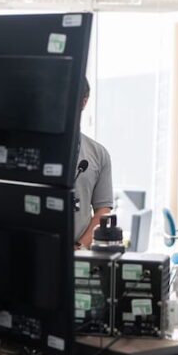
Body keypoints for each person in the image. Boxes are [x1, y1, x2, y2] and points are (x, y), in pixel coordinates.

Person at [73, 78, 114, 250]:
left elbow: (102, 211)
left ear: (83, 102)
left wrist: (79, 246)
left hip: (77, 256)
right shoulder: (30, 151)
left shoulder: (98, 154)